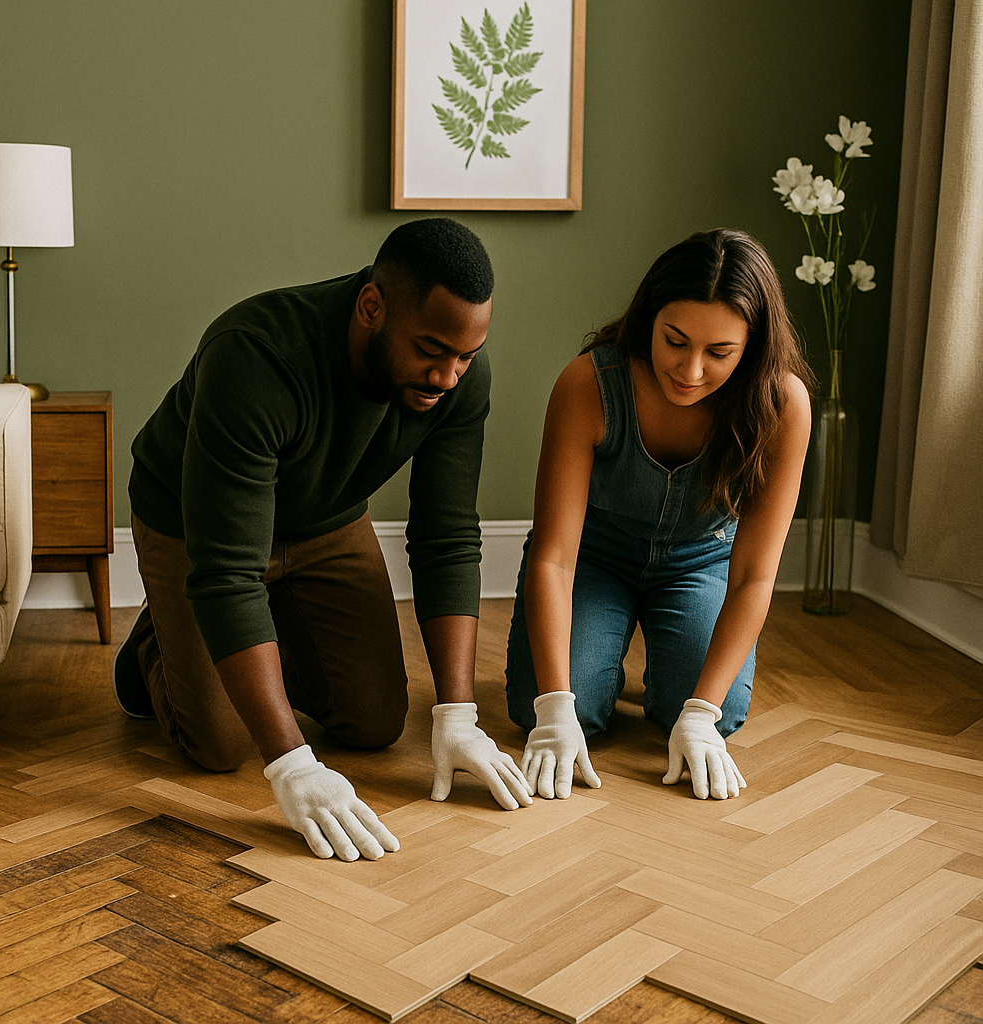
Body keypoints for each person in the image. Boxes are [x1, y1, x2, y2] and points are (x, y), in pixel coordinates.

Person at [113, 217, 532, 863]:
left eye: (465, 356)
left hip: (324, 521)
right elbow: (226, 570)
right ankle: (159, 639)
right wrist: (291, 766)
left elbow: (446, 535)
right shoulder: (253, 353)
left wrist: (457, 717)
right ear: (372, 307)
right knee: (223, 747)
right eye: (430, 350)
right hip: (197, 525)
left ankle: (246, 631)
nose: (448, 376)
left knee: (373, 725)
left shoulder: (457, 372)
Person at [505, 228, 814, 802]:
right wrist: (554, 707)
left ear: (753, 348)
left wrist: (699, 713)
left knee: (712, 717)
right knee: (543, 707)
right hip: (592, 559)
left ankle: (659, 679)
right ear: (650, 319)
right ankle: (600, 662)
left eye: (720, 353)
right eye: (675, 341)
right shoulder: (589, 383)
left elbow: (753, 576)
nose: (691, 370)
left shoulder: (783, 404)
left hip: (700, 564)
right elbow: (553, 557)